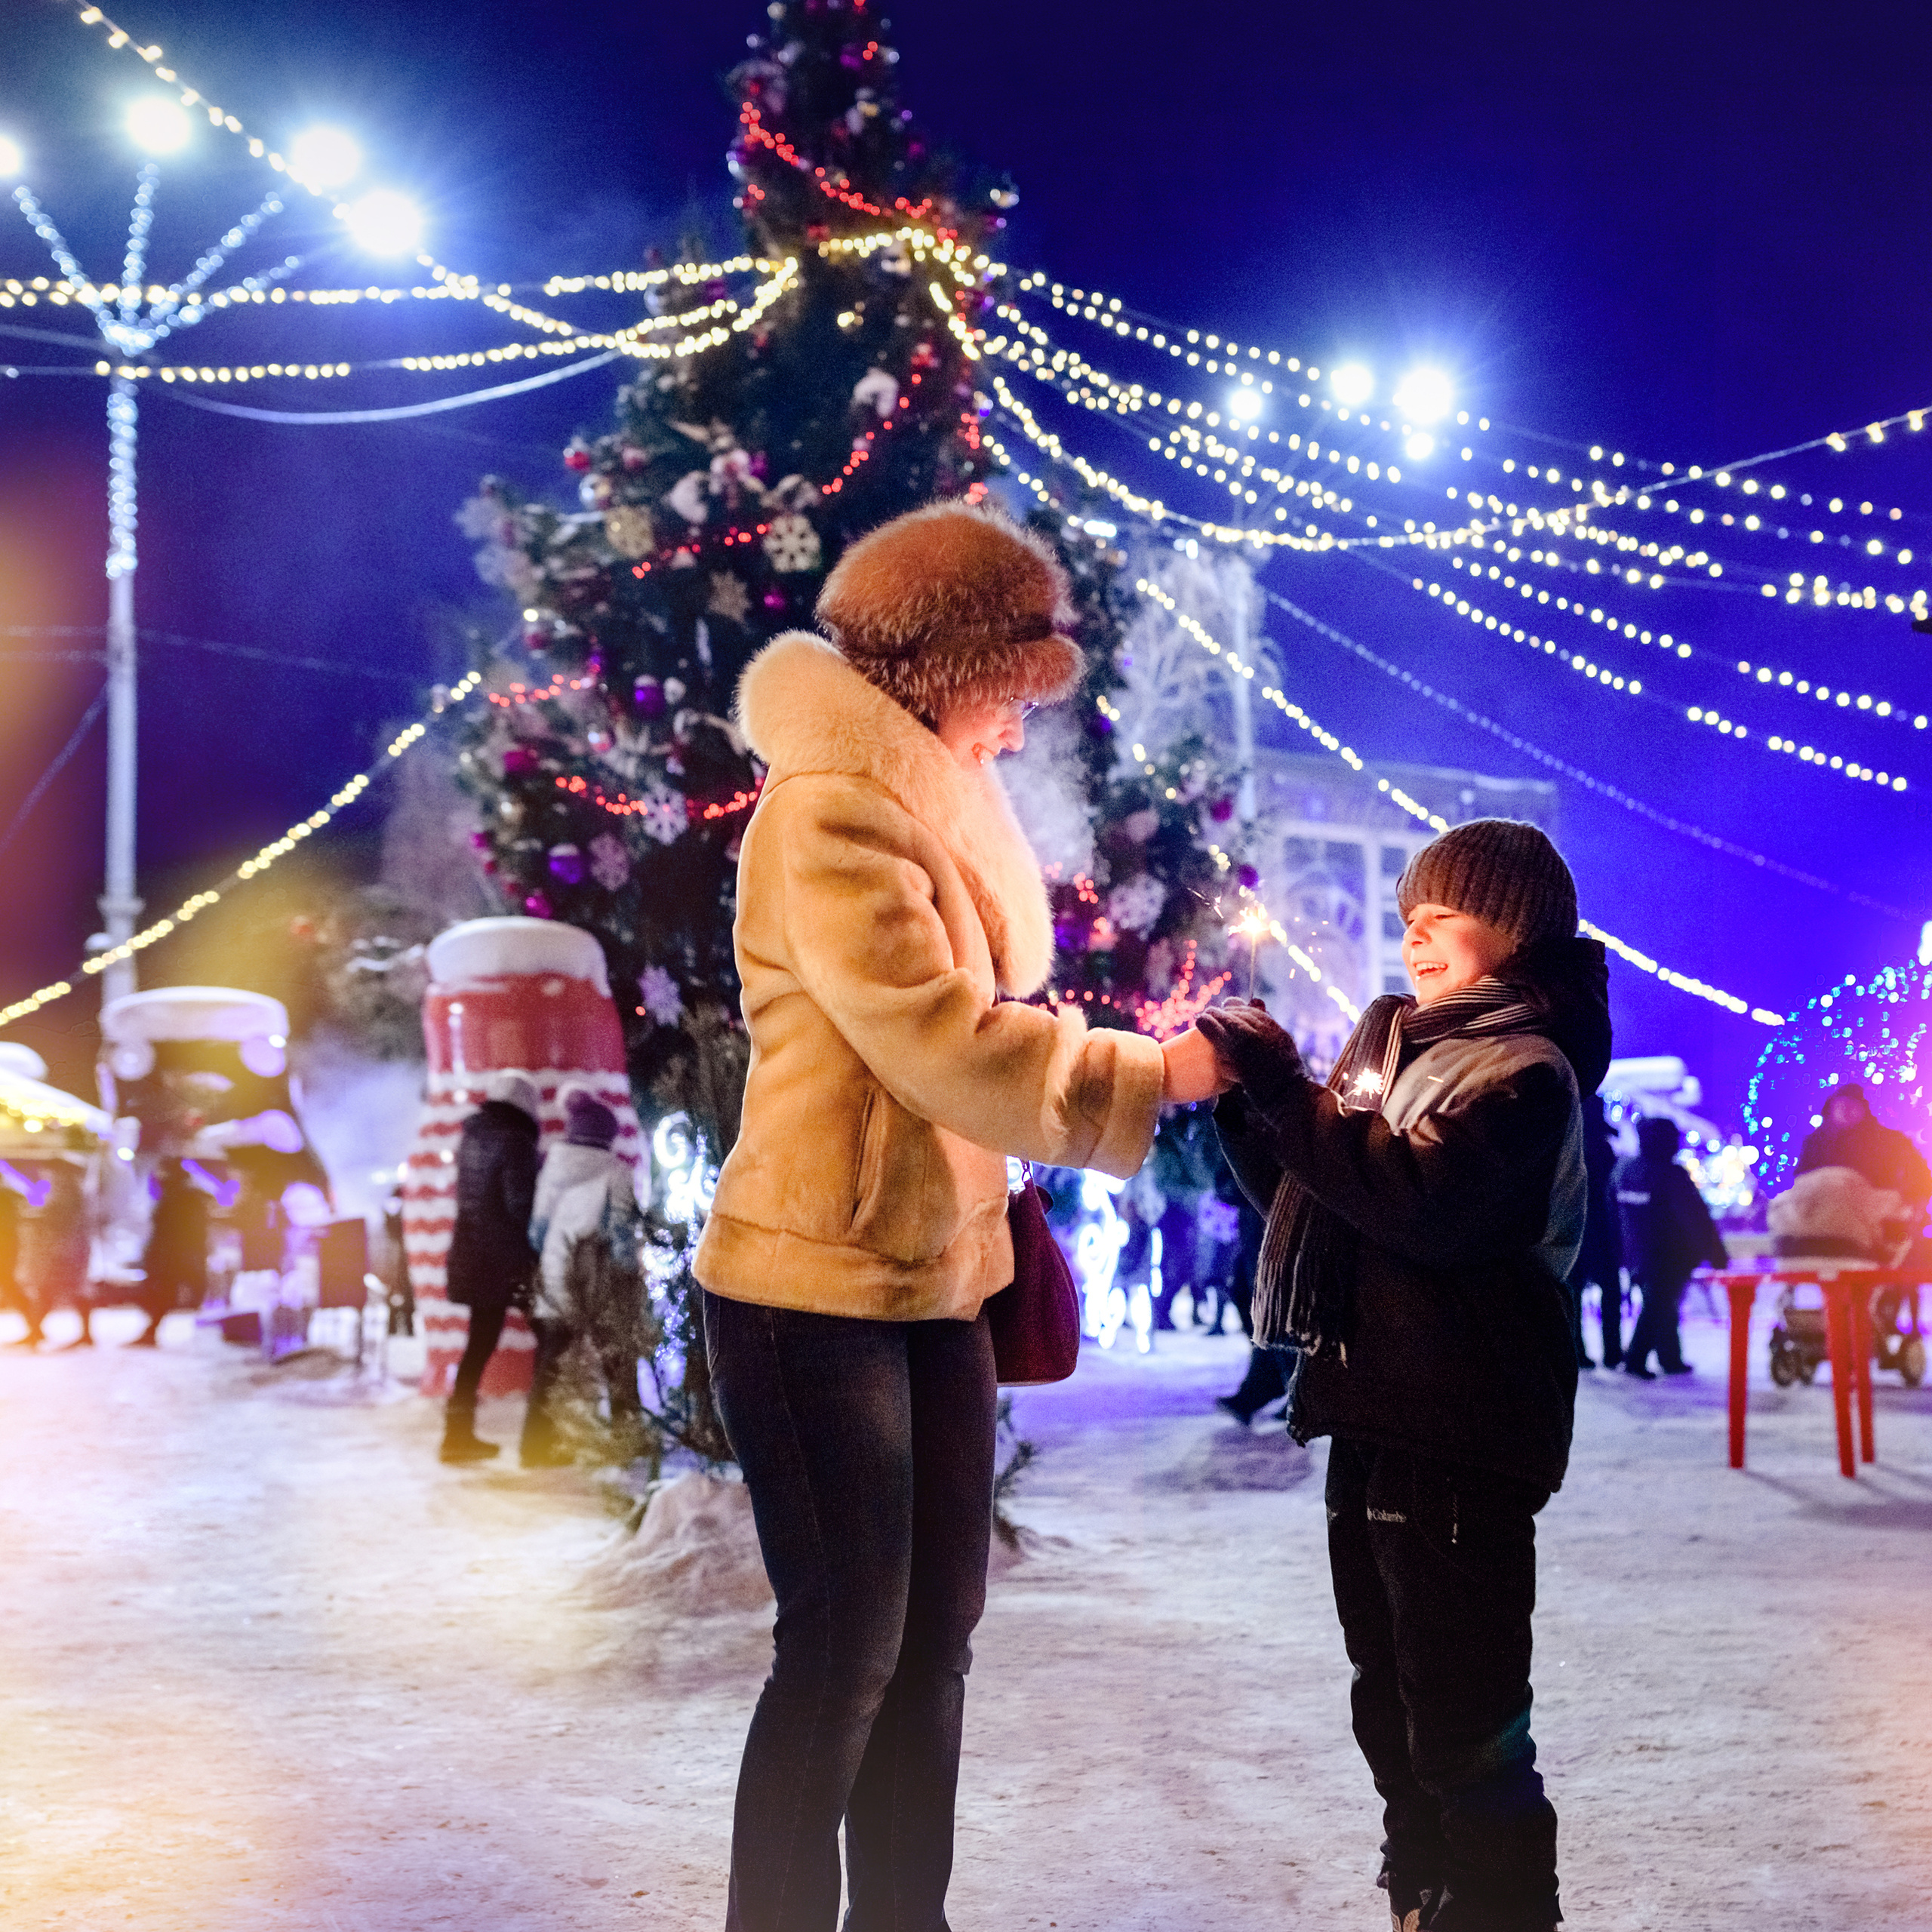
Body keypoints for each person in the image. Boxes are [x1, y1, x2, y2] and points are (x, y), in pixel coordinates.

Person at [694, 501, 1207, 1932]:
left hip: (934, 1286)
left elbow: (968, 1041)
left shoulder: (918, 806)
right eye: (1010, 694)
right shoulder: (828, 813)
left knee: (935, 1646)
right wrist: (1151, 1072)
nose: (1024, 730)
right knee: (849, 1645)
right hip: (811, 1290)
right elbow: (938, 1040)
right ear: (940, 671)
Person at [1190, 817, 1608, 1932]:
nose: (1416, 938)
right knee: (1387, 1694)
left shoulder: (1528, 1072)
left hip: (1463, 1423)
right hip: (1371, 1404)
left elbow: (1421, 1208)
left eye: (1445, 917)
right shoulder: (1396, 1055)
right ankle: (1425, 1894)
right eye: (1409, 918)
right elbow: (1327, 1194)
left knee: (1465, 1717)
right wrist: (1249, 1100)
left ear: (1513, 930)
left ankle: (1501, 1909)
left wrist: (1290, 1096)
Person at [522, 1087, 649, 1468]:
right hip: (603, 1283)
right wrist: (630, 1282)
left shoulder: (553, 1167)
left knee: (551, 1362)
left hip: (556, 1273)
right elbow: (624, 1236)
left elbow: (536, 1233)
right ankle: (626, 1435)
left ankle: (535, 1447)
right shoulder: (617, 1173)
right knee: (618, 1358)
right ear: (609, 1136)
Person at [440, 1072, 542, 1464]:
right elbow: (520, 1206)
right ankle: (543, 1438)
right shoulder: (516, 1141)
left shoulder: (472, 1136)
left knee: (476, 1348)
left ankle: (456, 1435)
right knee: (552, 1339)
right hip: (505, 1261)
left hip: (470, 1254)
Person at [1614, 1116, 1729, 1379]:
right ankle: (1636, 1358)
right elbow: (1696, 1218)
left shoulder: (1625, 1171)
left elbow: (1613, 1212)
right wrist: (1715, 1253)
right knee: (1658, 1306)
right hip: (1668, 1255)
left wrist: (1621, 1251)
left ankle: (1670, 1358)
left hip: (1636, 1254)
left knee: (1661, 1305)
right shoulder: (1672, 1174)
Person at [1797, 1082, 1932, 1214]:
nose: (1846, 1110)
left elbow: (1917, 1175)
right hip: (1822, 1213)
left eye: (1852, 1105)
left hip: (1876, 1215)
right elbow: (1801, 1180)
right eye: (1841, 1105)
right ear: (1831, 1107)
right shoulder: (1815, 1142)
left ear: (1864, 1109)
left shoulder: (1889, 1140)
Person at [1567, 1091, 1623, 1369]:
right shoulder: (1603, 1148)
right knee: (1610, 1291)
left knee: (1574, 1292)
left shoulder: (1569, 1146)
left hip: (1576, 1227)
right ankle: (1612, 1351)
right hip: (1602, 1229)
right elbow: (1611, 1194)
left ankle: (1577, 1350)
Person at [133, 1158, 209, 1347]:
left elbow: (188, 1229)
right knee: (166, 1293)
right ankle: (151, 1331)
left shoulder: (182, 1196)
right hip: (171, 1253)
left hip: (174, 1254)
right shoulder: (178, 1194)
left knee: (168, 1293)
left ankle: (153, 1332)